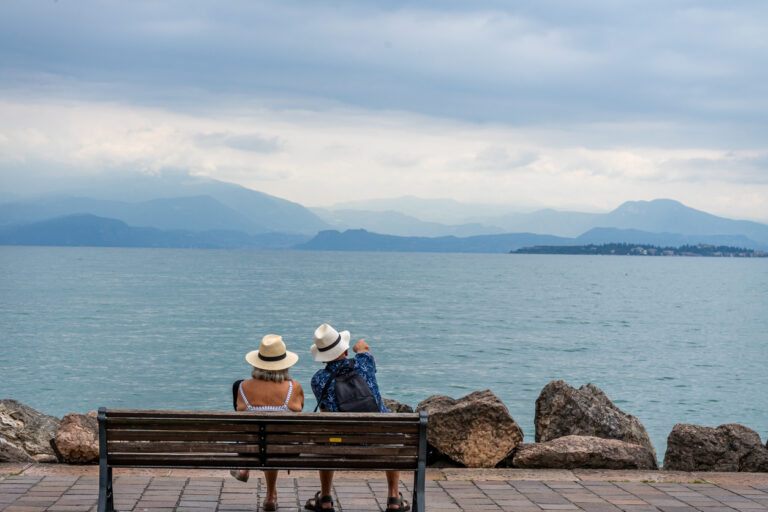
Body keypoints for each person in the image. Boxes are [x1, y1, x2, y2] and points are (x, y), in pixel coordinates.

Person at [304, 323, 409, 512]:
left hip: (340, 443)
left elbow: (325, 413)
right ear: (344, 350)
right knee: (392, 430)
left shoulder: (318, 379)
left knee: (326, 438)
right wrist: (357, 347)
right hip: (381, 439)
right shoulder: (364, 363)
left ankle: (325, 497)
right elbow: (363, 347)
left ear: (322, 359)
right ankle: (394, 497)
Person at [230, 334, 304, 512]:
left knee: (260, 437)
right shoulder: (294, 387)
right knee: (273, 439)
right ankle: (271, 496)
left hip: (250, 448)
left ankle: (246, 468)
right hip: (286, 450)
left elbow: (239, 413)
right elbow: (299, 409)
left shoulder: (241, 387)